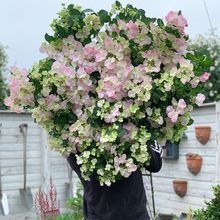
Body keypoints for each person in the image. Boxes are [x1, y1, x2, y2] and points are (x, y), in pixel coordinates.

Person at [67, 141, 162, 220]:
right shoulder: (76, 139)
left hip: (134, 215)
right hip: (102, 214)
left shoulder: (132, 130)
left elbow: (155, 164)